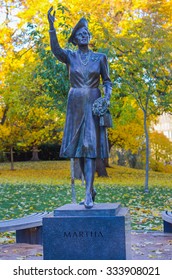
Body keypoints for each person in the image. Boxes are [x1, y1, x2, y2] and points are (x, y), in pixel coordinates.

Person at [47, 7, 112, 208]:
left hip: (93, 100)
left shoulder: (99, 57)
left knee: (90, 146)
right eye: (80, 34)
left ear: (90, 37)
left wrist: (107, 98)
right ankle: (89, 188)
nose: (84, 35)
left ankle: (88, 194)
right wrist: (51, 26)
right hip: (75, 102)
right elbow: (55, 50)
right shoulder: (70, 56)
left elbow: (107, 81)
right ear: (75, 39)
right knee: (80, 148)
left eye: (86, 33)